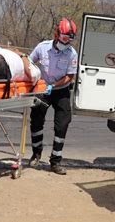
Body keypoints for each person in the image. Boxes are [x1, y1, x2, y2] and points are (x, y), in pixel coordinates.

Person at [28, 18, 78, 175]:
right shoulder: (42, 48)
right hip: (42, 89)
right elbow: (29, 62)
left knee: (62, 124)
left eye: (71, 38)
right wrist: (36, 80)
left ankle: (55, 161)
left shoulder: (72, 54)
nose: (67, 42)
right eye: (65, 38)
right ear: (57, 34)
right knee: (36, 121)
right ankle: (36, 154)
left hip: (60, 90)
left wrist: (54, 85)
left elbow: (70, 76)